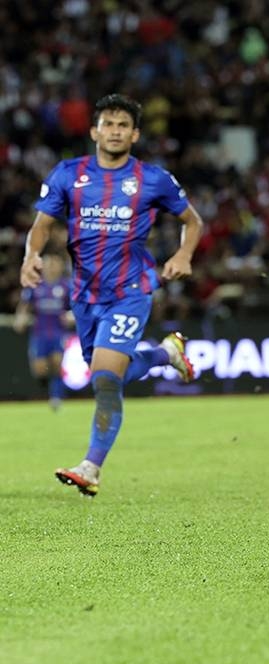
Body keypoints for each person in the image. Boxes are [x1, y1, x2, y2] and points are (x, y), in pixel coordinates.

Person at [19, 93, 203, 497]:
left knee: (104, 379)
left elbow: (192, 220)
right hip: (85, 295)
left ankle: (91, 466)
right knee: (106, 374)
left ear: (135, 134)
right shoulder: (69, 174)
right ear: (94, 131)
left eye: (123, 125)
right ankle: (164, 355)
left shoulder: (152, 179)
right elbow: (42, 224)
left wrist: (184, 254)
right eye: (108, 124)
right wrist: (31, 255)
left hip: (130, 290)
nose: (115, 131)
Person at [13, 253, 74, 410]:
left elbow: (76, 309)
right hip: (39, 333)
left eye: (55, 264)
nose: (52, 267)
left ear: (60, 267)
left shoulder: (66, 286)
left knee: (56, 362)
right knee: (40, 369)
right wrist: (20, 318)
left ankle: (56, 397)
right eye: (49, 264)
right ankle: (45, 386)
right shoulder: (35, 286)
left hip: (58, 332)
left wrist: (70, 317)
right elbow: (24, 305)